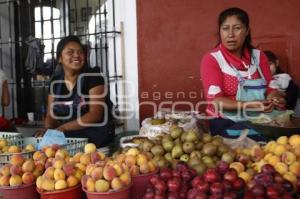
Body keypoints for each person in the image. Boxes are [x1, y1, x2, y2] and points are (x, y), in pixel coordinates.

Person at [200, 7, 286, 140]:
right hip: (226, 121)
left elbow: (270, 87)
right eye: (225, 28)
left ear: (247, 31)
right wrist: (250, 105)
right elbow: (216, 101)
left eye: (237, 28)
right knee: (258, 141)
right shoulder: (213, 59)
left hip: (259, 118)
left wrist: (275, 98)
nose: (230, 34)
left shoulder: (258, 57)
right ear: (220, 31)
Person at [35, 35, 115, 148]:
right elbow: (51, 114)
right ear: (60, 58)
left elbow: (95, 114)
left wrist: (62, 128)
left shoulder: (93, 77)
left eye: (80, 52)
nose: (77, 55)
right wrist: (48, 130)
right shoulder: (56, 82)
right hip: (71, 136)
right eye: (70, 52)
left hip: (96, 136)